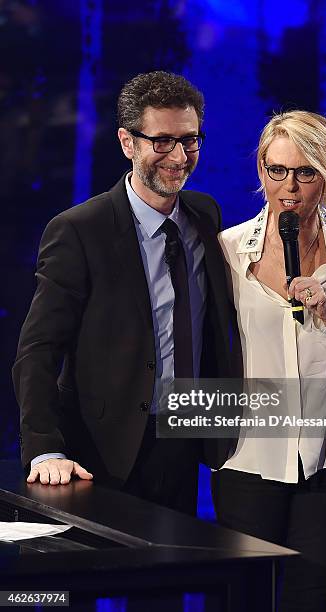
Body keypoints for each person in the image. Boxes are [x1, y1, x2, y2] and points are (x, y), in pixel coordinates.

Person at [12, 71, 239, 516]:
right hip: (98, 451)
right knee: (86, 582)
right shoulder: (79, 230)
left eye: (190, 140)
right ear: (126, 142)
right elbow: (37, 349)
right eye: (162, 141)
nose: (179, 156)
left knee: (169, 579)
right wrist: (44, 449)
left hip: (184, 441)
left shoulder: (205, 215)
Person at [211, 110, 326, 611]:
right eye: (276, 170)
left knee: (308, 598)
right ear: (260, 170)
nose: (288, 187)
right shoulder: (228, 249)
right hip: (249, 457)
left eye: (305, 173)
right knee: (246, 598)